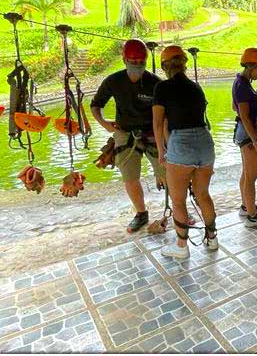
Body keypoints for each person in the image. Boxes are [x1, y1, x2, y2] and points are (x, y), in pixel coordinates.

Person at [90, 39, 166, 233]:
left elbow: (166, 113)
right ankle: (141, 213)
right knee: (130, 177)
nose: (137, 66)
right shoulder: (114, 81)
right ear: (124, 60)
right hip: (125, 133)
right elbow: (96, 105)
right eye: (133, 62)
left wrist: (165, 140)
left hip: (152, 133)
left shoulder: (155, 83)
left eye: (141, 62)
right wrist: (104, 124)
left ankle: (177, 209)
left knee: (167, 174)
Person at [153, 45, 218, 259]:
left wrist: (162, 151)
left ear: (164, 67)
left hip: (181, 143)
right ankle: (212, 240)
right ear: (184, 64)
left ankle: (181, 247)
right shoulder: (196, 87)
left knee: (178, 200)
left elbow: (158, 122)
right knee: (203, 195)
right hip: (205, 142)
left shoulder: (162, 88)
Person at [232, 48, 257, 227]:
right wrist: (256, 141)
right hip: (249, 134)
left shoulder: (242, 82)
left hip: (244, 132)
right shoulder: (242, 85)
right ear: (250, 66)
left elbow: (237, 108)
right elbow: (244, 115)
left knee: (247, 173)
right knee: (251, 176)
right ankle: (252, 216)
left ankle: (246, 206)